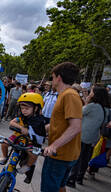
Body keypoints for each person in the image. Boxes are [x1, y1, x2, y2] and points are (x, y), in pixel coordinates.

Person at [42, 62, 82, 192]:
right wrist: (40, 129)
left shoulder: (69, 95)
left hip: (59, 155)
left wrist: (54, 146)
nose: (51, 80)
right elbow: (60, 123)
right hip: (65, 154)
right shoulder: (65, 95)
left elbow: (75, 127)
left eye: (52, 77)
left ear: (58, 77)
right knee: (60, 187)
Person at [0, 92, 47, 183]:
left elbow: (40, 136)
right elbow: (12, 122)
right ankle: (4, 157)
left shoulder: (39, 121)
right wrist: (21, 127)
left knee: (33, 155)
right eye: (22, 108)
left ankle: (27, 166)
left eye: (27, 108)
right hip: (17, 137)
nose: (24, 110)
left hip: (30, 141)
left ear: (36, 108)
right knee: (4, 143)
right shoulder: (22, 117)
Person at [66, 86, 109, 187]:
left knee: (77, 157)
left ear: (95, 95)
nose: (89, 93)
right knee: (85, 159)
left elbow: (79, 112)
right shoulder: (105, 108)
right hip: (93, 137)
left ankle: (71, 179)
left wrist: (86, 102)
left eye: (92, 92)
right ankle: (79, 178)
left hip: (83, 135)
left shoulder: (92, 106)